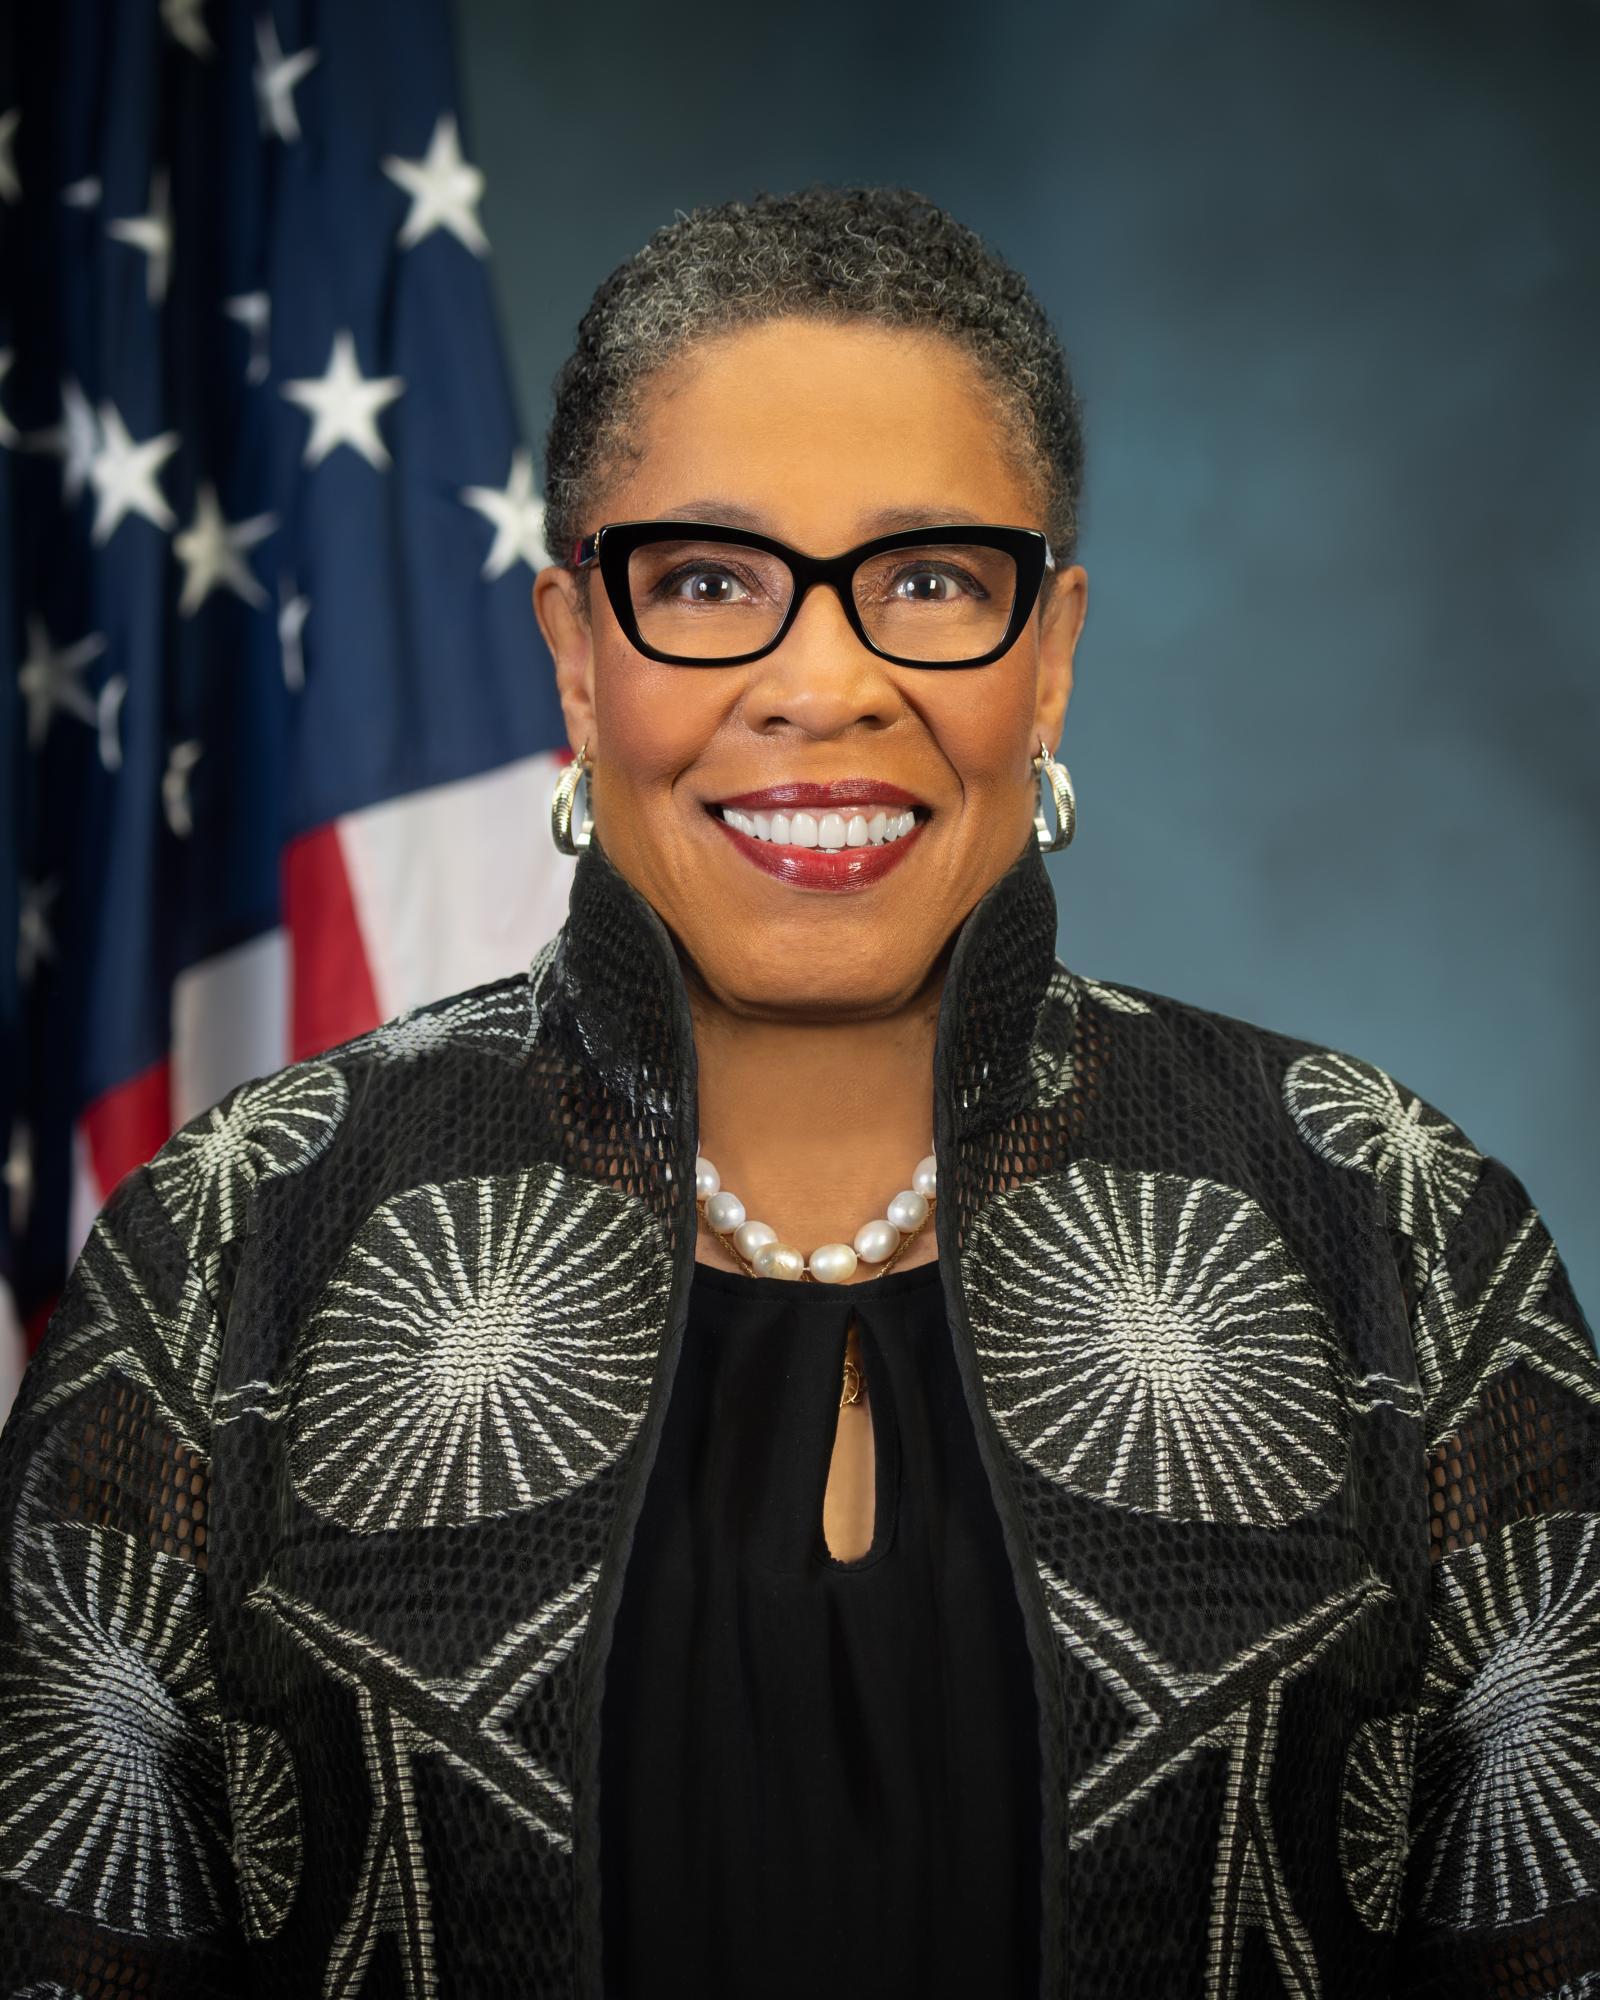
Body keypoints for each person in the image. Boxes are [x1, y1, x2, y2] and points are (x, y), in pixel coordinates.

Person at [1, 185, 1596, 2000]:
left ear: (1051, 652)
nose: (822, 684)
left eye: (927, 581)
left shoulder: (1392, 1226)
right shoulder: (233, 1245)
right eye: (705, 582)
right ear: (575, 655)